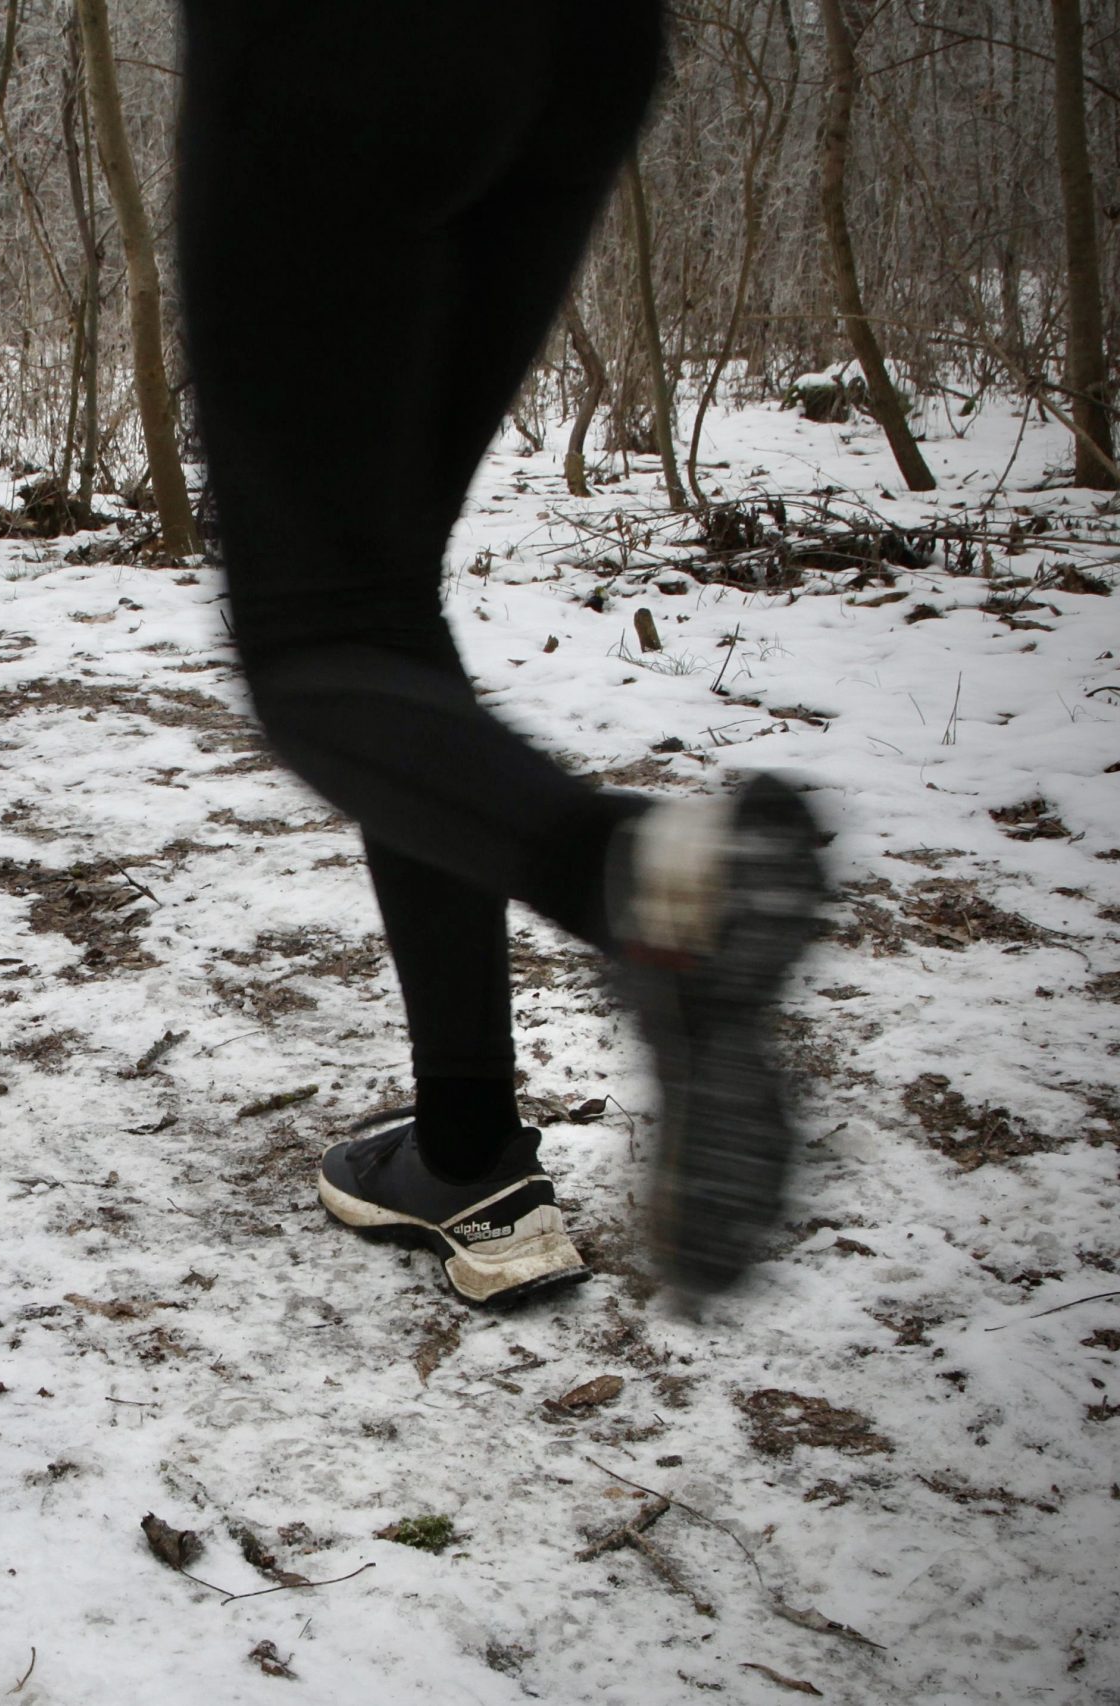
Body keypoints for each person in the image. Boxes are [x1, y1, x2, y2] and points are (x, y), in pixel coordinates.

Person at [174, 0, 829, 1305]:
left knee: (317, 644)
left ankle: (647, 885)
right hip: (580, 49)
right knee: (375, 614)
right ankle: (464, 1145)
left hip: (342, 53)